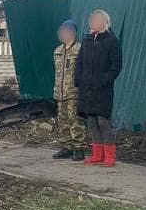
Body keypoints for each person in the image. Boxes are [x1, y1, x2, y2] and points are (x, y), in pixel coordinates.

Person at [75, 9, 123, 167]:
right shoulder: (87, 40)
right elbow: (80, 62)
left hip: (103, 89)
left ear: (104, 22)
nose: (92, 23)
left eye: (96, 20)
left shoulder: (111, 41)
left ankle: (110, 156)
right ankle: (97, 154)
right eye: (91, 20)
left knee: (103, 121)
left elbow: (116, 66)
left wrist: (104, 80)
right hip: (87, 88)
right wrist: (79, 80)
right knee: (91, 121)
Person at [52, 19, 85, 161]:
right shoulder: (58, 51)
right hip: (60, 92)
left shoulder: (80, 49)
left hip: (74, 92)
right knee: (63, 120)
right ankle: (67, 146)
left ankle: (79, 147)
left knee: (75, 120)